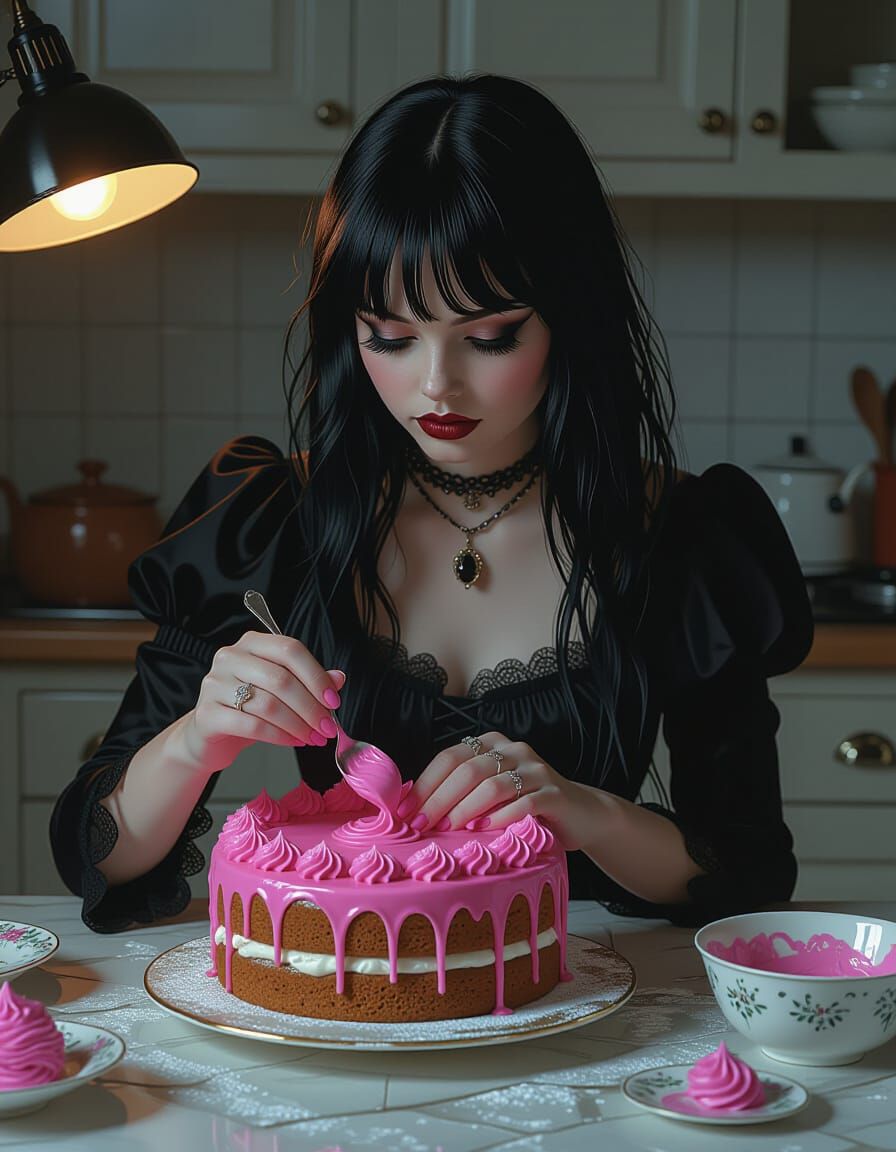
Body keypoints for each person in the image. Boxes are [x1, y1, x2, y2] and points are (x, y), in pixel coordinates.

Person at [50, 73, 813, 934]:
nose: (435, 385)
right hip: (348, 991)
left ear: (570, 316)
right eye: (391, 337)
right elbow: (96, 850)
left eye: (490, 337)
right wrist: (198, 739)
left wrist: (584, 813)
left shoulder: (681, 535)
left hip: (576, 995)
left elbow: (748, 874)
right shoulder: (268, 520)